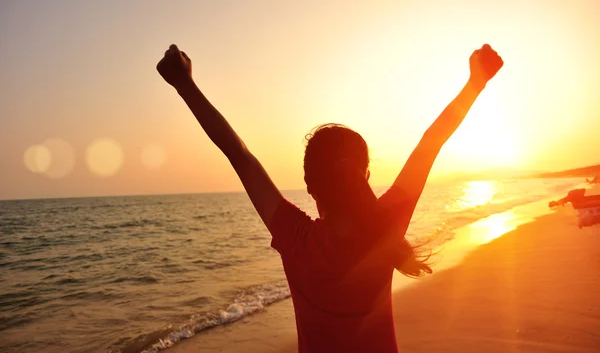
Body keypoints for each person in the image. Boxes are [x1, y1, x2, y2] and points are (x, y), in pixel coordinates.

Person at [156, 43, 503, 352]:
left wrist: (184, 85)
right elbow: (432, 142)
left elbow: (239, 154)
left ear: (309, 184)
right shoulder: (386, 228)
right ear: (365, 176)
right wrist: (475, 84)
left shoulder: (296, 238)